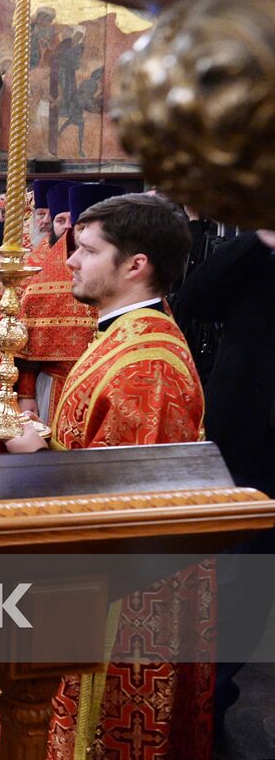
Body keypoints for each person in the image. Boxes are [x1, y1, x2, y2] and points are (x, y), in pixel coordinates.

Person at [0, 193, 212, 759]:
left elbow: (128, 507)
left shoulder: (148, 365)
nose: (68, 260)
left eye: (88, 251)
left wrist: (34, 456)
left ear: (135, 265)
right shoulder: (120, 334)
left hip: (118, 610)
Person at [177, 226, 275, 729]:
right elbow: (195, 297)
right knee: (239, 569)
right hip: (248, 436)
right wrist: (261, 239)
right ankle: (208, 694)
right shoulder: (255, 254)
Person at [13, 183, 121, 421]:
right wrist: (26, 394)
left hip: (116, 390)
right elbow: (28, 347)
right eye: (80, 227)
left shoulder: (132, 279)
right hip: (57, 386)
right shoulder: (46, 276)